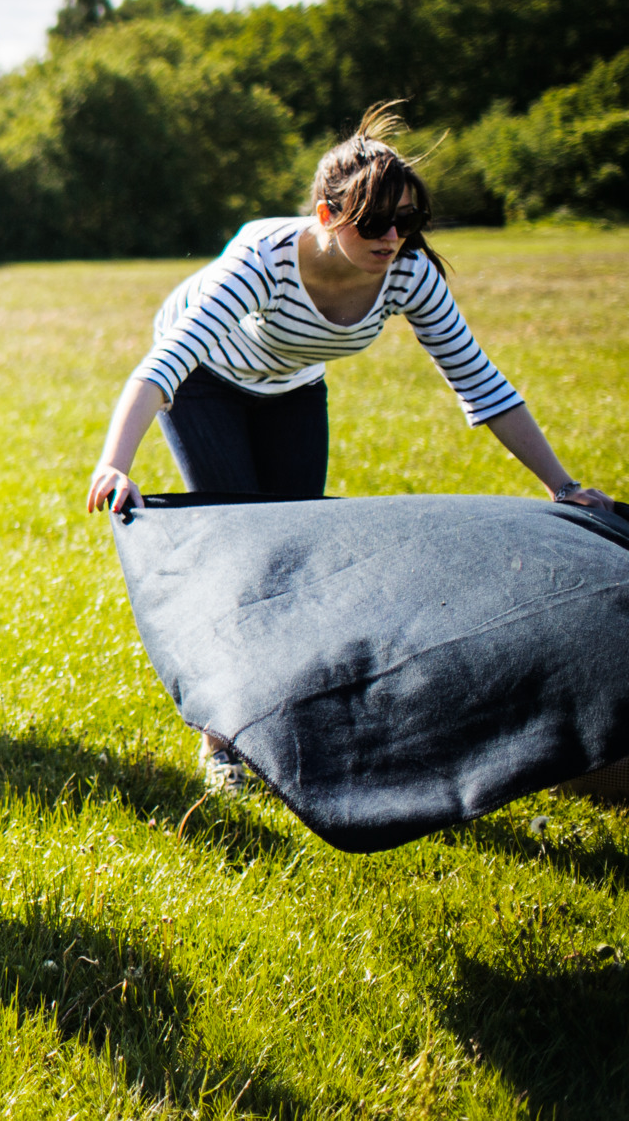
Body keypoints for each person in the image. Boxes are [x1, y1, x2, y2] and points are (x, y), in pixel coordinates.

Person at [80, 106, 614, 788]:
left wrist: (562, 484)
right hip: (210, 377)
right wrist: (114, 461)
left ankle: (292, 716)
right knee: (241, 545)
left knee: (298, 550)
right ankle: (222, 743)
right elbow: (166, 364)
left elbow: (480, 382)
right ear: (328, 215)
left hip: (295, 383)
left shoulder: (408, 274)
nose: (393, 238)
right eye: (374, 223)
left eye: (407, 222)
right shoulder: (263, 258)